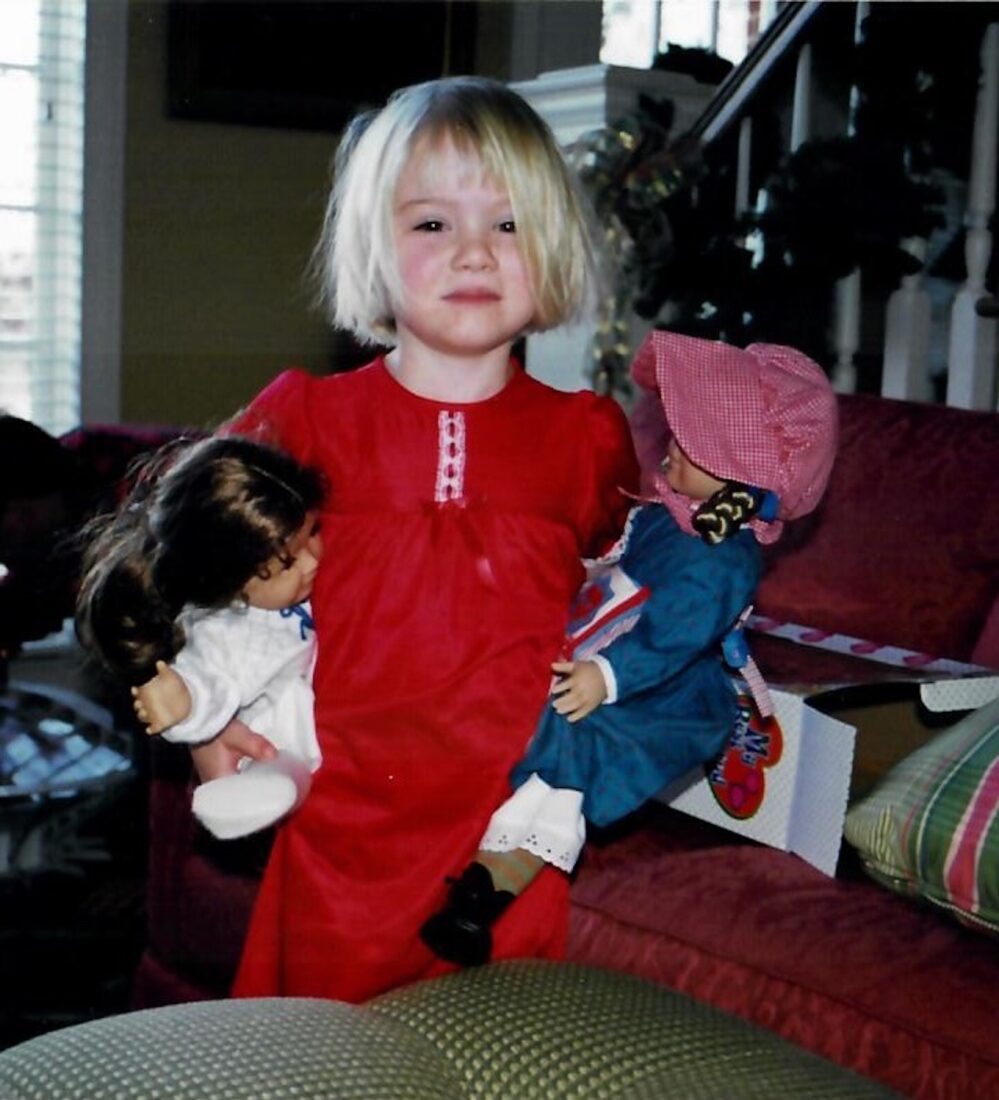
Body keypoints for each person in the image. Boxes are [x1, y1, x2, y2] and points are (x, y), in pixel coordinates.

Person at [191, 75, 639, 1003]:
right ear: (374, 247)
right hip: (343, 822)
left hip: (504, 833)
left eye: (509, 224)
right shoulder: (306, 417)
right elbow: (194, 565)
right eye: (432, 224)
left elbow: (624, 594)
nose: (475, 251)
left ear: (551, 246)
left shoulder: (588, 435)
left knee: (489, 1056)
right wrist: (213, 718)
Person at [420, 330, 839, 966]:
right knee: (509, 705)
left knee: (565, 765)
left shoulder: (723, 560)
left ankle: (483, 898)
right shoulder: (669, 516)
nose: (669, 449)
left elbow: (673, 638)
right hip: (593, 642)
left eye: (691, 445)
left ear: (739, 475)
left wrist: (607, 677)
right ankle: (473, 875)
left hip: (655, 689)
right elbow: (609, 570)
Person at [75, 435, 325, 840]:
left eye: (313, 532)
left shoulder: (280, 589)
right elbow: (211, 681)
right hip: (274, 731)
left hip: (305, 696)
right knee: (284, 760)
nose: (313, 561)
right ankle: (260, 791)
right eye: (289, 562)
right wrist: (184, 702)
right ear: (232, 580)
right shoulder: (223, 631)